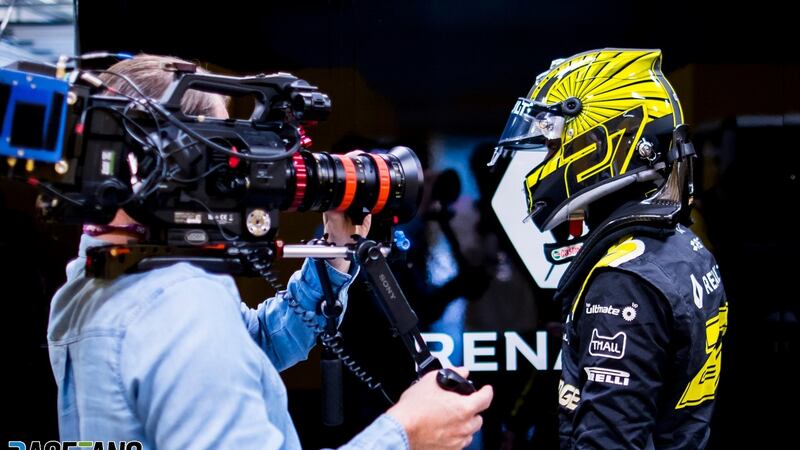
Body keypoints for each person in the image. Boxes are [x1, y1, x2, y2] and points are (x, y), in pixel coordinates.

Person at [47, 54, 492, 449]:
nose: (242, 172)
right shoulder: (180, 306)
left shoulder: (94, 277)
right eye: (225, 149)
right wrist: (408, 433)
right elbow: (199, 338)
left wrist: (335, 250)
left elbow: (254, 343)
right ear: (175, 162)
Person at [490, 49, 728, 449]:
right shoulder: (681, 246)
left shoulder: (623, 280)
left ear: (601, 142)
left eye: (553, 145)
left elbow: (609, 441)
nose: (547, 158)